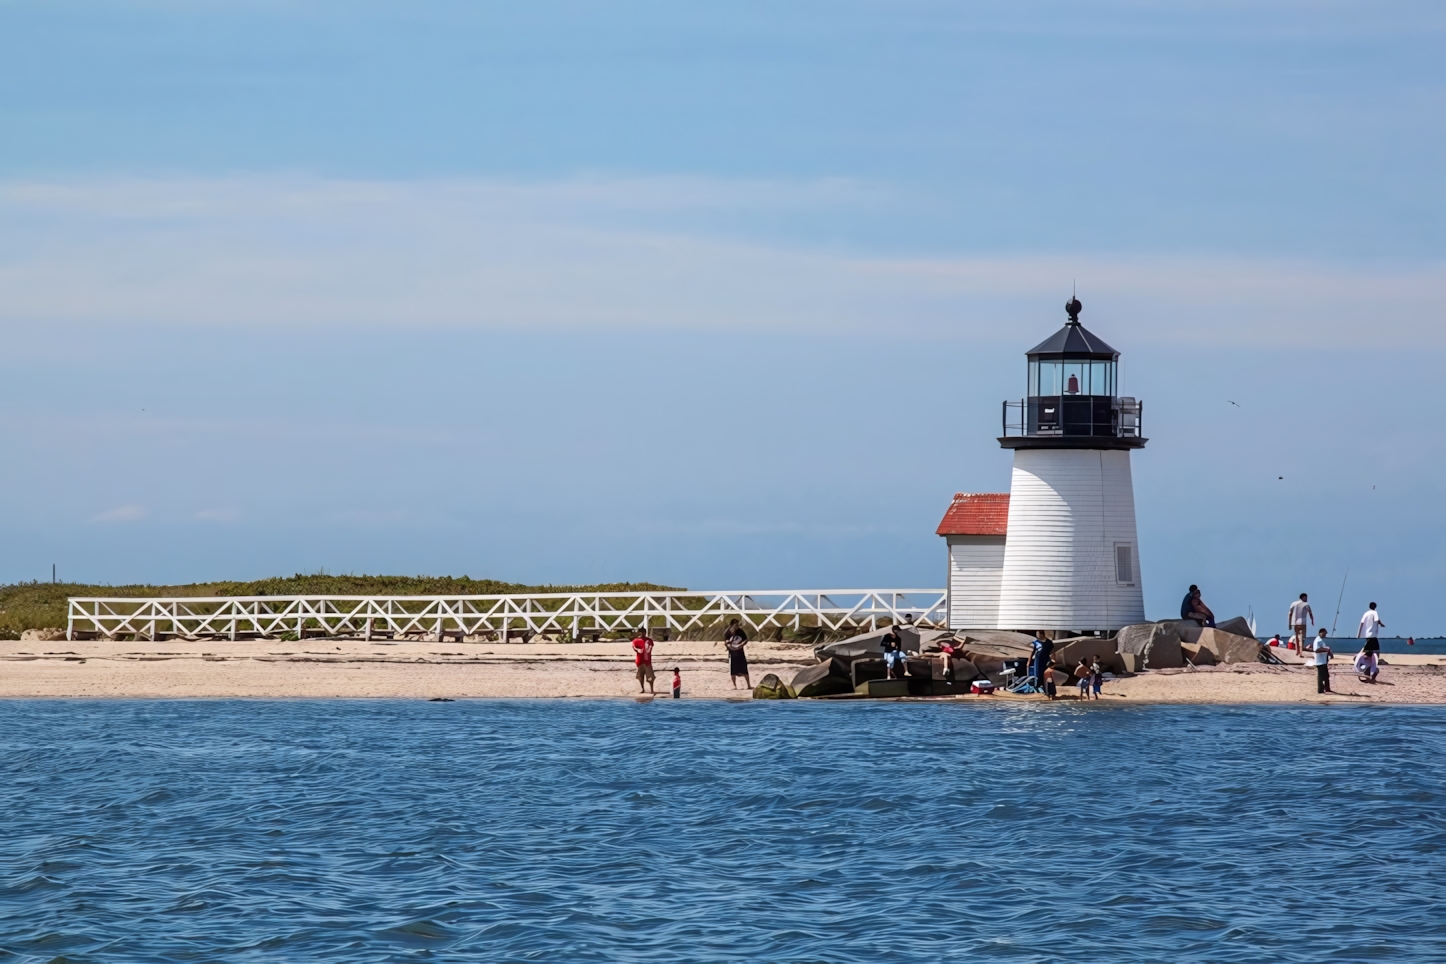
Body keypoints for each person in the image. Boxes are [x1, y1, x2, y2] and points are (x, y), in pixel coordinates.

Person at [722, 618, 751, 690]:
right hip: (732, 654)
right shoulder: (728, 632)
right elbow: (726, 642)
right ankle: (734, 686)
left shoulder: (740, 631)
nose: (737, 626)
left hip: (740, 653)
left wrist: (741, 645)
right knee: (733, 671)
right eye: (735, 624)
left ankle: (748, 685)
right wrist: (730, 647)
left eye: (737, 624)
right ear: (732, 625)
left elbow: (745, 639)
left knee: (744, 670)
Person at [632, 628, 656, 695]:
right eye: (640, 632)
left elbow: (651, 646)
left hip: (647, 661)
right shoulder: (636, 640)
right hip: (640, 661)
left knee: (650, 676)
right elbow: (634, 647)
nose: (641, 634)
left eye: (642, 632)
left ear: (645, 632)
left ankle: (652, 689)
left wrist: (649, 649)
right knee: (640, 676)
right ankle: (642, 689)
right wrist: (637, 650)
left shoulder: (649, 640)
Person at [1308, 628, 1332, 694]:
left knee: (1326, 676)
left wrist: (1328, 651)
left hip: (1324, 661)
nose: (1325, 635)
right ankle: (1320, 690)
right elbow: (1316, 650)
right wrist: (1326, 650)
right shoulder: (1317, 640)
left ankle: (1327, 688)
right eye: (1324, 633)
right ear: (1320, 633)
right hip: (1320, 661)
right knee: (1321, 677)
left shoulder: (1321, 640)